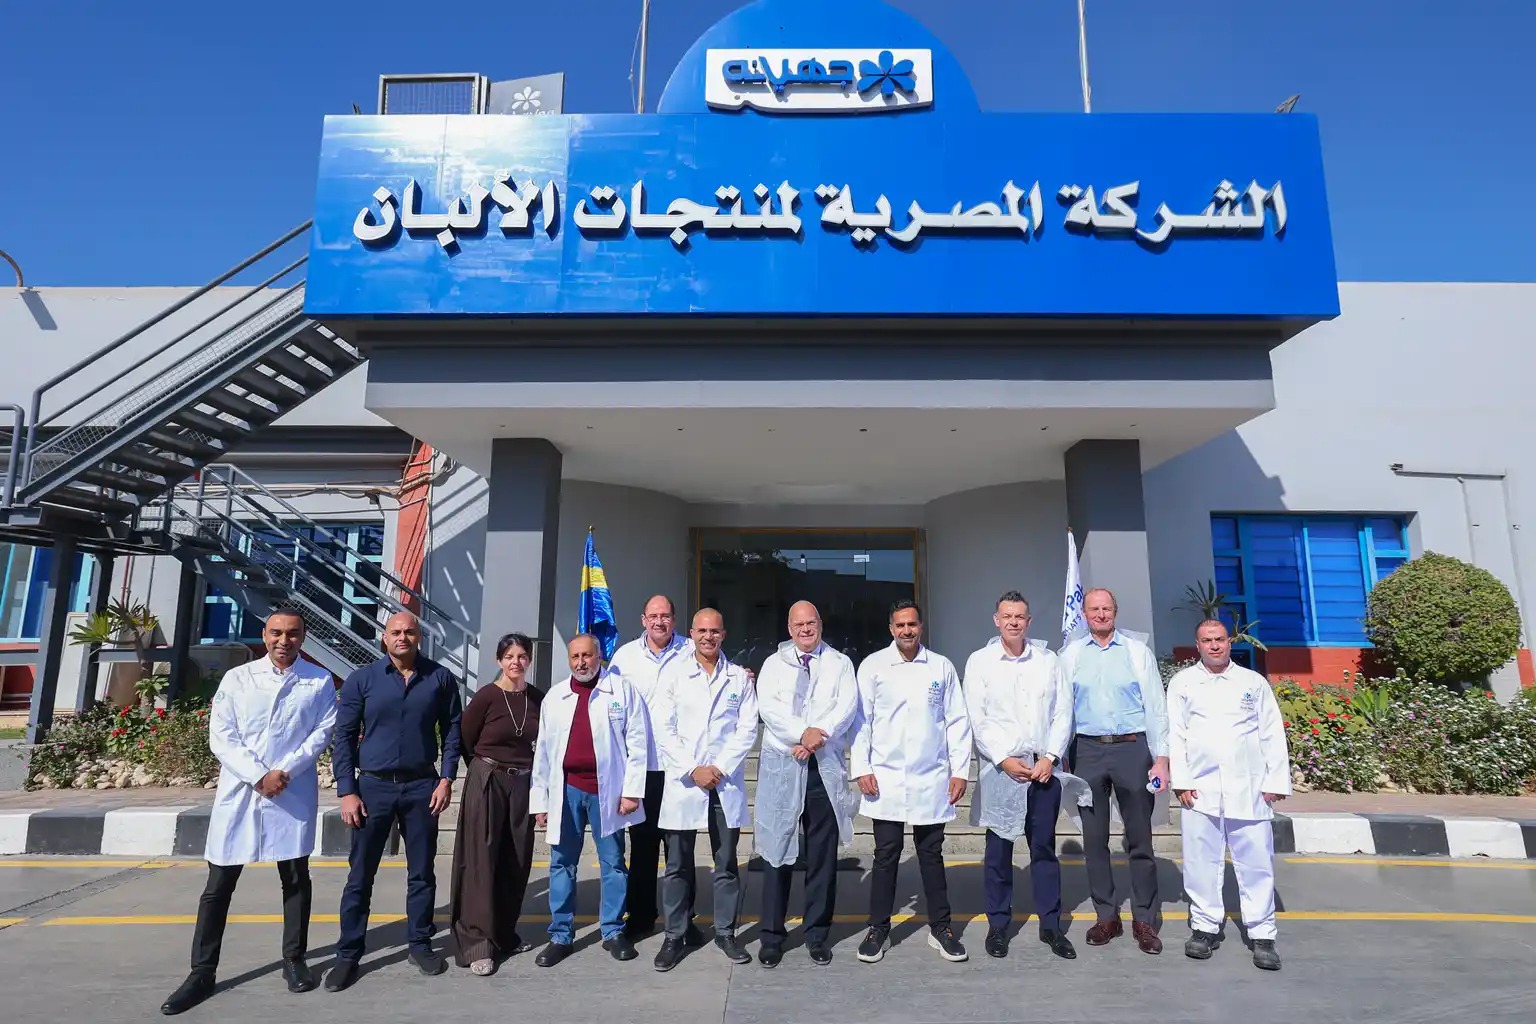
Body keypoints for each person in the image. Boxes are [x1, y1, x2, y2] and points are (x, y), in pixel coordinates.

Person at [159, 609, 338, 1016]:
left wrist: (283, 772)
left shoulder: (318, 680)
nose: (284, 640)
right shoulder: (238, 678)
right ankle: (201, 972)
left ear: (303, 637)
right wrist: (259, 776)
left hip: (291, 790)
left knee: (295, 878)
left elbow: (321, 733)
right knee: (219, 884)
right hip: (242, 790)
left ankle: (294, 959)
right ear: (264, 634)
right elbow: (222, 735)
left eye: (292, 634)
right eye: (276, 632)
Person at [325, 612, 463, 992]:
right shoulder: (362, 679)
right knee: (360, 875)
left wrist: (446, 778)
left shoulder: (439, 678)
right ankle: (348, 954)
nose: (403, 637)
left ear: (419, 637)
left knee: (421, 872)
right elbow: (344, 736)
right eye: (395, 632)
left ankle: (419, 944)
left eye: (409, 632)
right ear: (384, 638)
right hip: (373, 788)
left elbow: (453, 729)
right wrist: (347, 790)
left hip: (422, 788)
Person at [851, 600, 973, 964]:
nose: (907, 630)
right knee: (885, 855)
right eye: (900, 625)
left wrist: (959, 770)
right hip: (885, 777)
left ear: (921, 627)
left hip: (931, 777)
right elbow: (861, 722)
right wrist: (862, 767)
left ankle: (942, 929)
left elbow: (957, 721)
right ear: (891, 628)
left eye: (912, 624)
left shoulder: (941, 666)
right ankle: (878, 929)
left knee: (931, 855)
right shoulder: (873, 666)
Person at [1169, 619, 1290, 971]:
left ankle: (1262, 934)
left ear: (1229, 642)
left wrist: (1274, 781)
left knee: (1256, 862)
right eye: (1207, 640)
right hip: (1200, 789)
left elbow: (1271, 732)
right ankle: (1204, 927)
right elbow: (1176, 734)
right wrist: (1181, 780)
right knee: (1200, 862)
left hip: (1248, 787)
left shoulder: (1252, 683)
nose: (1214, 645)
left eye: (1220, 639)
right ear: (1197, 645)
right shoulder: (1183, 683)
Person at [963, 591, 1078, 962]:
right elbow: (977, 717)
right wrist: (1003, 759)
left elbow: (1063, 712)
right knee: (999, 852)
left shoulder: (1048, 660)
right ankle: (998, 925)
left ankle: (1051, 925)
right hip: (1002, 770)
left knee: (1043, 849)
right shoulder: (980, 662)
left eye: (1020, 617)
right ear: (996, 620)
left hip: (1043, 770)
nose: (1013, 622)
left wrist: (1051, 756)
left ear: (1029, 622)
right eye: (1007, 616)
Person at [1060, 587, 1170, 954]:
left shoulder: (1137, 652)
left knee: (1140, 839)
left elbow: (1156, 706)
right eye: (1094, 609)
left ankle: (1144, 919)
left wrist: (1161, 757)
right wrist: (1060, 751)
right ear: (1085, 614)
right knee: (1094, 840)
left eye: (1106, 608)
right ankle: (1106, 916)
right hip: (1087, 751)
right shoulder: (1071, 655)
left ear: (1115, 612)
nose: (1100, 614)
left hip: (1132, 749)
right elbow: (1061, 707)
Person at [530, 634, 650, 967]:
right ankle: (560, 935)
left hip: (607, 791)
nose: (581, 662)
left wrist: (632, 791)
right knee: (561, 863)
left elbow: (638, 743)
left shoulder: (621, 690)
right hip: (566, 790)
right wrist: (540, 800)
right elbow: (543, 751)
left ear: (599, 656)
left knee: (613, 862)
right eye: (575, 657)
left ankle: (612, 931)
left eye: (587, 655)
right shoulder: (556, 696)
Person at [649, 608, 759, 972]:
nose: (708, 637)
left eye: (714, 631)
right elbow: (663, 728)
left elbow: (747, 729)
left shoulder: (738, 678)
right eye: (702, 631)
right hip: (686, 781)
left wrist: (719, 768)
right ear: (692, 633)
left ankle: (726, 932)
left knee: (726, 863)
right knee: (677, 865)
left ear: (723, 634)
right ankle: (675, 935)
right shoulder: (674, 675)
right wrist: (693, 769)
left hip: (723, 782)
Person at [753, 600, 858, 967]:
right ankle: (772, 936)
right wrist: (802, 732)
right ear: (789, 628)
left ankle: (816, 934)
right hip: (784, 766)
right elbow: (769, 709)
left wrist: (817, 735)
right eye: (798, 624)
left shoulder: (840, 664)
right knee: (777, 850)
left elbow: (846, 707)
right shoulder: (773, 665)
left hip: (822, 767)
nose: (805, 629)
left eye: (811, 622)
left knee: (822, 856)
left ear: (820, 624)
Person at [449, 632, 543, 976]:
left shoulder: (537, 698)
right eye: (509, 656)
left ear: (529, 659)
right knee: (481, 861)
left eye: (522, 656)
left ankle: (504, 934)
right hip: (488, 778)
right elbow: (466, 738)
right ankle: (477, 943)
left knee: (515, 860)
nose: (516, 662)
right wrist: (483, 773)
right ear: (499, 660)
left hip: (523, 783)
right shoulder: (487, 696)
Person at [607, 594, 691, 941]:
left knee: (680, 849)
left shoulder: (691, 651)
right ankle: (641, 917)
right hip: (640, 768)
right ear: (643, 620)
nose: (659, 621)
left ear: (674, 619)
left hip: (680, 768)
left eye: (665, 615)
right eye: (653, 616)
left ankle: (683, 922)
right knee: (642, 848)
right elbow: (608, 702)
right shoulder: (624, 658)